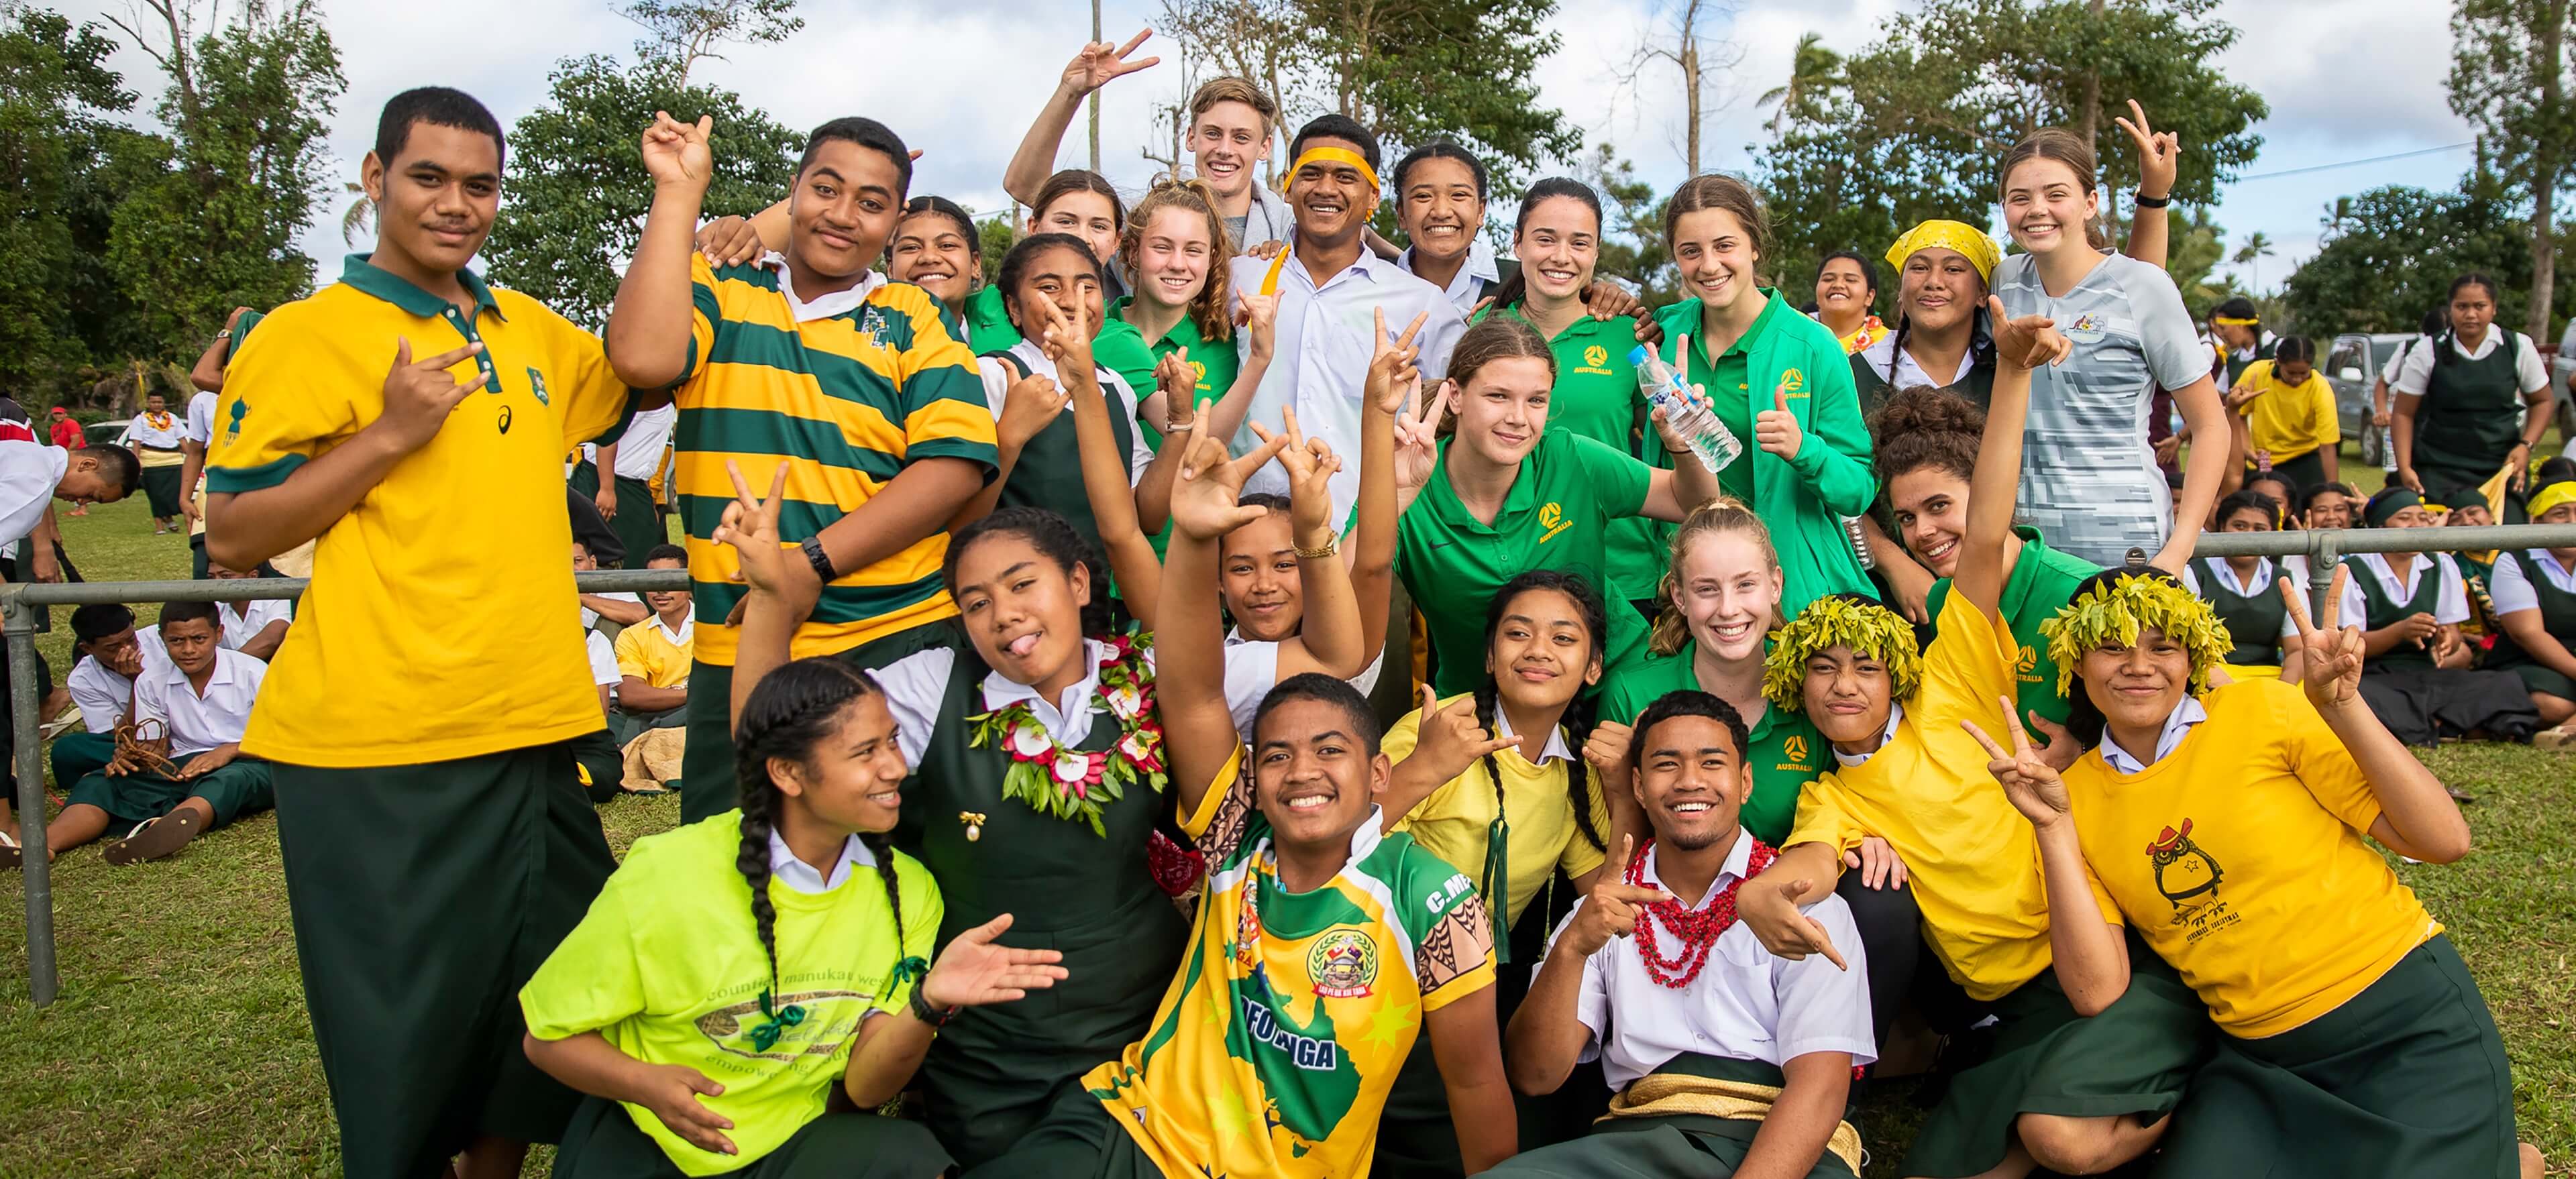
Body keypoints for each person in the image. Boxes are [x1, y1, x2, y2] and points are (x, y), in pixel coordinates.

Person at [202, 87, 652, 1178]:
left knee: (543, 1008)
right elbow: (232, 530)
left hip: (534, 727)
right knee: (405, 1043)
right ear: (375, 178)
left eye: (480, 183)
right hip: (379, 745)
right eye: (429, 177)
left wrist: (713, 220)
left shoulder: (524, 325)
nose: (457, 203)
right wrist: (389, 435)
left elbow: (636, 372)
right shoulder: (305, 334)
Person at [968, 427, 1513, 1179]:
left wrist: (1364, 479)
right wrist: (1193, 538)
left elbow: (1477, 1081)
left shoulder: (1434, 899)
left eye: (1331, 752)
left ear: (1376, 770)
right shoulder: (1235, 832)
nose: (1302, 771)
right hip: (1131, 1131)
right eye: (1279, 755)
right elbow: (1191, 691)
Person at [1745, 306, 2214, 1179]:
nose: (1844, 684)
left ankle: (2206, 1105)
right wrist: (1766, 892)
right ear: (1792, 687)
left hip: (2099, 956)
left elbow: (1986, 528)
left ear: (1901, 669)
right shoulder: (1834, 792)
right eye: (1821, 670)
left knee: (2056, 1141)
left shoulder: (1956, 682)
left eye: (1865, 664)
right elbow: (1807, 859)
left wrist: (2012, 374)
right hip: (2000, 1006)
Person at [521, 461, 1064, 1179]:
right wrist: (646, 1084)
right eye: (866, 752)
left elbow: (866, 1090)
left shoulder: (910, 895)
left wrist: (928, 1006)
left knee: (910, 1159)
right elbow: (545, 1040)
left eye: (894, 743)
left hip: (789, 1148)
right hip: (651, 1145)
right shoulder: (670, 879)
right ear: (788, 774)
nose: (896, 768)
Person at [2006, 562, 2541, 1178]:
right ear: (2076, 661)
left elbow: (2444, 841)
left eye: (2163, 645)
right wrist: (2052, 829)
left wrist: (2342, 706)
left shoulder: (2263, 710)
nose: (2138, 664)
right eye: (2111, 646)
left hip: (2405, 1024)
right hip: (2263, 1063)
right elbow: (2097, 992)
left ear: (2193, 656)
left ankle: (2508, 1165)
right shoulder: (2068, 799)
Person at [604, 111, 998, 824]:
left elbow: (952, 466)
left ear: (894, 219)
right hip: (737, 642)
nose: (844, 215)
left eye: (872, 203)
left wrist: (808, 566)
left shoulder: (910, 313)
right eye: (826, 189)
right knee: (740, 860)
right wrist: (677, 196)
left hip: (894, 633)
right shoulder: (723, 284)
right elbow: (641, 360)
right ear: (792, 193)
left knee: (905, 864)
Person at [858, 504, 1196, 1167]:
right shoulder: (932, 689)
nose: (1002, 614)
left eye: (1021, 585)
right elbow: (794, 741)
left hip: (1142, 1034)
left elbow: (1337, 654)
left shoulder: (1149, 676)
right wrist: (776, 605)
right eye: (975, 602)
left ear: (1077, 583)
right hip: (990, 1058)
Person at [1493, 691, 1876, 1179]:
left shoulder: (1809, 905)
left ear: (1745, 783)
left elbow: (1820, 1090)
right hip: (1638, 1144)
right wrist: (1571, 948)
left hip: (1779, 1146)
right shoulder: (1603, 913)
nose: (1690, 781)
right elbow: (1535, 1075)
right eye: (1666, 764)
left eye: (1712, 763)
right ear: (1638, 785)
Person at [1369, 569, 1627, 1176]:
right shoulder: (1435, 730)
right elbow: (1339, 843)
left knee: (1551, 1124)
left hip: (1489, 981)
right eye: (1518, 634)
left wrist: (1620, 792)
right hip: (1391, 966)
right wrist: (1428, 766)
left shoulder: (1573, 769)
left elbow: (1605, 892)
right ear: (1489, 656)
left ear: (1592, 668)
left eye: (1564, 639)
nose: (1539, 651)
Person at [1394, 315, 1717, 694]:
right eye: (1498, 396)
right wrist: (1391, 493)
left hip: (1614, 683)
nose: (1517, 418)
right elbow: (1346, 590)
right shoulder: (1410, 485)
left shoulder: (1569, 457)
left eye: (1536, 401)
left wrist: (1684, 443)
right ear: (1456, 395)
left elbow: (1694, 502)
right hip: (1480, 704)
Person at [1992, 128, 2224, 571]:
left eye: (2055, 194)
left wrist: (2179, 549)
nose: (2037, 209)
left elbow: (2212, 427)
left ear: (2090, 203)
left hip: (2125, 539)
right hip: (2024, 546)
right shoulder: (2005, 281)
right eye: (2019, 198)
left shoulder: (2145, 286)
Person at [1653, 174, 1876, 614]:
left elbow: (1859, 489)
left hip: (1793, 597)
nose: (1709, 265)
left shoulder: (1814, 346)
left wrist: (1804, 450)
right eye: (1690, 251)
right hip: (1693, 596)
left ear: (1754, 246)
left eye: (1724, 246)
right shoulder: (1663, 331)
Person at [1229, 113, 1466, 524]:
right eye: (1311, 173)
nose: (1325, 188)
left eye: (1345, 176)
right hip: (1246, 532)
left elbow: (1462, 403)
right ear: (1287, 185)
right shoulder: (1240, 277)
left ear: (1372, 197)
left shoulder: (1421, 303)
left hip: (1360, 535)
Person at [1478, 178, 1666, 614]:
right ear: (1518, 242)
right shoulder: (1484, 330)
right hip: (1509, 568)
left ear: (1596, 253)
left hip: (1620, 572)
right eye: (1545, 239)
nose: (1562, 257)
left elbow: (1664, 450)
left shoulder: (1631, 335)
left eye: (1579, 243)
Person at [1874, 385, 2101, 731]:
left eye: (1938, 506)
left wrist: (2085, 747)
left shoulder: (2084, 592)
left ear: (1988, 494)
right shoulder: (1941, 600)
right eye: (1907, 518)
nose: (1922, 531)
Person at [964, 234, 1173, 556]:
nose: (1068, 300)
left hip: (1096, 597)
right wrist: (1010, 438)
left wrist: (1180, 426)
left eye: (1086, 287)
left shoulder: (1115, 385)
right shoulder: (996, 374)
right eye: (1049, 287)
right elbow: (961, 526)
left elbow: (1147, 518)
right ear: (1014, 308)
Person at [1002, 34, 1294, 254]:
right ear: (1191, 138)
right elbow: (1024, 187)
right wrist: (1069, 93)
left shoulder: (1291, 229)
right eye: (1213, 133)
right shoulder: (1140, 219)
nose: (1225, 149)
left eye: (1242, 138)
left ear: (1265, 147)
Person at [40, 602, 269, 865]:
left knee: (230, 780)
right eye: (176, 641)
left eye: (199, 639)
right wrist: (133, 754)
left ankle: (163, 831)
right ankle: (43, 845)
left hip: (250, 758)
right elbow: (154, 745)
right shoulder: (151, 679)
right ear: (162, 639)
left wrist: (229, 750)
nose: (188, 650)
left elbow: (289, 739)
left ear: (219, 634)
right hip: (184, 763)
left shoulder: (254, 672)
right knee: (100, 780)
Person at [2339, 488, 2540, 745]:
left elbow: (2452, 632)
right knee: (2364, 697)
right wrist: (2400, 631)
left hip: (2426, 672)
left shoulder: (2441, 564)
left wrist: (2446, 641)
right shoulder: (2353, 569)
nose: (2416, 525)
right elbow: (2349, 646)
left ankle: (2431, 723)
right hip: (2374, 675)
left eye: (2422, 518)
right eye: (2405, 518)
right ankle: (2449, 724)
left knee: (2502, 683)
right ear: (2380, 525)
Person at [1093, 178, 1255, 459]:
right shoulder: (1095, 333)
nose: (1178, 264)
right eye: (1162, 247)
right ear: (1133, 252)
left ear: (1211, 258)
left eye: (1193, 250)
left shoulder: (1229, 344)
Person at [2392, 274, 2553, 516]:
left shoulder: (2518, 346)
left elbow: (2543, 401)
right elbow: (2403, 413)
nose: (2470, 314)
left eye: (2480, 306)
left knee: (2507, 546)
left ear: (2494, 309)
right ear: (2451, 309)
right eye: (2462, 306)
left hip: (2502, 467)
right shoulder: (2427, 350)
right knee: (2444, 547)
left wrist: (2526, 446)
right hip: (2440, 469)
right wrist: (2404, 467)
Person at [48, 604, 166, 811]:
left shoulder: (161, 640)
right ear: (88, 649)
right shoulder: (83, 679)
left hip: (181, 732)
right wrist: (136, 683)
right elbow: (120, 737)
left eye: (131, 640)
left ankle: (148, 772)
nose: (127, 651)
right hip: (137, 742)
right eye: (113, 647)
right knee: (67, 750)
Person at [2487, 475, 2576, 748]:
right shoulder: (2514, 561)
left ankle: (2566, 731)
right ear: (2536, 522)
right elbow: (2528, 634)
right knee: (2554, 704)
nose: (2572, 521)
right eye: (2561, 513)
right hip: (2530, 662)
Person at [2182, 489, 2306, 679]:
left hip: (2270, 680)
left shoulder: (2287, 580)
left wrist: (2284, 689)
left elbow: (2297, 650)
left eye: (2259, 529)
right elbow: (2186, 646)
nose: (2248, 536)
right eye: (2239, 526)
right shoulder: (2193, 574)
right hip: (2210, 678)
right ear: (2222, 527)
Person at [1391, 142, 1507, 312]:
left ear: (1481, 211)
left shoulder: (1521, 285)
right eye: (1423, 196)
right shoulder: (1373, 285)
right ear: (1401, 214)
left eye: (1459, 195)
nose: (1442, 212)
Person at [2226, 335, 2340, 495]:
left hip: (2305, 456)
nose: (2297, 379)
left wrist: (2333, 491)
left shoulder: (2320, 388)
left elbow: (2327, 446)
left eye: (2303, 373)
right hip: (2265, 459)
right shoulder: (2257, 373)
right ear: (2278, 362)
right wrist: (2246, 449)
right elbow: (2239, 414)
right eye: (2291, 373)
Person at [576, 398, 677, 571]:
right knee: (604, 557)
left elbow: (642, 452)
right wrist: (607, 489)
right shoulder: (643, 390)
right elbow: (609, 436)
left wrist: (646, 494)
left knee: (642, 556)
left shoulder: (666, 395)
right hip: (606, 480)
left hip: (634, 485)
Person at [613, 544, 695, 741]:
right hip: (654, 719)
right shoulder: (632, 635)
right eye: (652, 580)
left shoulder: (712, 625)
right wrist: (692, 694)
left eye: (668, 580)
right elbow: (631, 696)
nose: (660, 590)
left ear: (689, 583)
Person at [122, 391, 186, 534]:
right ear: (148, 403)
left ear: (164, 403)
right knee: (156, 495)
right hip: (151, 461)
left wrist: (193, 455)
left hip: (174, 459)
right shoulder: (141, 420)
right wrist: (136, 462)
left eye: (159, 402)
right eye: (153, 402)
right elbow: (137, 442)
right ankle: (160, 527)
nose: (157, 405)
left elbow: (182, 439)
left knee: (175, 493)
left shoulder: (173, 418)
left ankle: (169, 518)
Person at [206, 559, 290, 661]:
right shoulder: (215, 607)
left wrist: (230, 666)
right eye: (211, 577)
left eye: (226, 576)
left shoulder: (276, 600)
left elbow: (272, 639)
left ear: (253, 576)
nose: (216, 583)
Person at [1811, 250, 1885, 354]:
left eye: (1850, 280)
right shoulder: (1794, 333)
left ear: (1869, 297)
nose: (1838, 285)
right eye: (1828, 279)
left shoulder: (1887, 345)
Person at [2208, 294, 2275, 388]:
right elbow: (2218, 395)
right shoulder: (2232, 362)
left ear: (2241, 326)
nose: (2221, 334)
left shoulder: (2277, 349)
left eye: (2223, 328)